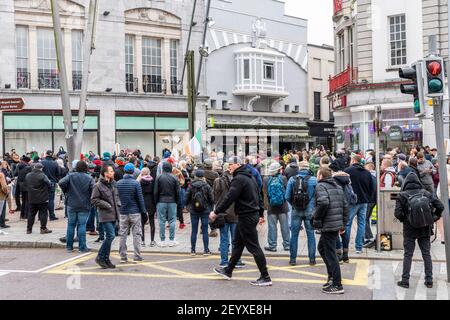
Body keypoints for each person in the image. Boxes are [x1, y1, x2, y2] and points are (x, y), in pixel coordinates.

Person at [211, 156, 272, 287]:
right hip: (249, 215)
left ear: (238, 164)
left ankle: (265, 276)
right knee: (238, 244)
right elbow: (259, 196)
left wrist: (216, 212)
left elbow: (229, 197)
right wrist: (260, 213)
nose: (228, 167)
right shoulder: (251, 177)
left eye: (231, 165)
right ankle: (228, 271)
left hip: (246, 216)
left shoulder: (238, 179)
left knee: (253, 247)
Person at [395, 172, 444, 289]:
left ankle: (405, 280)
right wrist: (434, 218)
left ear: (406, 182)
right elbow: (440, 206)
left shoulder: (402, 195)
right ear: (418, 181)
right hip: (425, 227)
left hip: (409, 229)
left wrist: (405, 219)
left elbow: (397, 213)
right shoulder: (426, 193)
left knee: (408, 254)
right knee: (426, 254)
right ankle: (429, 280)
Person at [312, 167, 348, 294]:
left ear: (321, 175)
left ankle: (337, 284)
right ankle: (332, 277)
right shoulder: (337, 187)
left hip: (328, 225)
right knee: (322, 249)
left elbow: (323, 203)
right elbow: (345, 206)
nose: (316, 176)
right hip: (335, 224)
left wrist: (316, 216)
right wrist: (343, 225)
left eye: (317, 174)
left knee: (331, 254)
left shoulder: (321, 186)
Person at [341, 154, 374, 257]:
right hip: (364, 201)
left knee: (348, 223)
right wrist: (367, 197)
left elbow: (343, 186)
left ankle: (345, 246)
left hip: (351, 202)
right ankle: (358, 247)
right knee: (362, 223)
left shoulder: (347, 171)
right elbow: (371, 188)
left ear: (353, 161)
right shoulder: (367, 173)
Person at [58, 161, 95, 253]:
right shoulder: (89, 178)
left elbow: (61, 182)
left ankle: (69, 247)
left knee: (71, 225)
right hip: (84, 204)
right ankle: (82, 247)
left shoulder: (71, 176)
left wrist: (66, 191)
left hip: (71, 203)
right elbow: (94, 189)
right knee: (82, 225)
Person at [213, 163, 245, 268]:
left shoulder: (218, 181)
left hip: (222, 213)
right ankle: (237, 261)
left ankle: (224, 261)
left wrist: (216, 211)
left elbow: (215, 198)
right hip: (235, 213)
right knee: (236, 240)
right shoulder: (237, 181)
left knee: (224, 239)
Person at [285, 160, 317, 265]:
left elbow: (287, 197)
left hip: (296, 211)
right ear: (308, 168)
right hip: (309, 211)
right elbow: (318, 196)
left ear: (299, 168)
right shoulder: (314, 180)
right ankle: (312, 260)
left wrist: (294, 205)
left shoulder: (292, 179)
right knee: (311, 235)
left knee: (294, 235)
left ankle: (293, 260)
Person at [91, 165, 121, 269]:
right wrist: (107, 205)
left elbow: (116, 197)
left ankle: (106, 259)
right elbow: (94, 200)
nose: (113, 172)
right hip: (105, 215)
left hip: (114, 214)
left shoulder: (114, 184)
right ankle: (100, 257)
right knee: (111, 236)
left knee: (110, 237)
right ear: (105, 173)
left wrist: (118, 205)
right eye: (111, 171)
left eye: (112, 171)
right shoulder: (98, 185)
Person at [116, 163, 146, 263]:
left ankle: (123, 256)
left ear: (124, 171)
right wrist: (143, 211)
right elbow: (140, 199)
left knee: (123, 234)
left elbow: (117, 198)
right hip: (135, 212)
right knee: (136, 234)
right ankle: (137, 255)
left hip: (123, 212)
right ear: (133, 172)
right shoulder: (136, 183)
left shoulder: (118, 183)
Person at [185, 170, 214, 255]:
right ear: (203, 177)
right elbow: (212, 199)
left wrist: (188, 207)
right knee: (205, 231)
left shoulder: (191, 186)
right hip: (205, 210)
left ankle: (193, 250)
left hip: (193, 211)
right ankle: (206, 250)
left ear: (195, 176)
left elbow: (186, 198)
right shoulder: (207, 186)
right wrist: (211, 209)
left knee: (194, 231)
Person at [263, 162, 290, 252]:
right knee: (285, 227)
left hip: (271, 207)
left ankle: (272, 245)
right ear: (279, 170)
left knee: (272, 227)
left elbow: (265, 193)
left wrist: (266, 207)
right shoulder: (283, 178)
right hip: (283, 207)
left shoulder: (266, 179)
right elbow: (286, 192)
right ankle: (287, 245)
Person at [154, 161, 180, 247]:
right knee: (172, 221)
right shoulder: (174, 178)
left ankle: (162, 240)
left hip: (161, 201)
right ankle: (171, 240)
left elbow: (155, 192)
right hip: (172, 201)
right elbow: (178, 192)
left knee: (161, 221)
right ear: (171, 168)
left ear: (163, 168)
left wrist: (156, 202)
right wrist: (177, 201)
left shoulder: (159, 177)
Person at [25, 163, 52, 234]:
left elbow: (26, 184)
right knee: (43, 213)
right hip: (42, 198)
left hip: (31, 198)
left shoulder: (28, 175)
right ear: (41, 168)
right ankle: (43, 228)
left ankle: (29, 229)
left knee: (31, 214)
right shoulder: (42, 175)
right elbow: (49, 183)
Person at [138, 167, 156, 247]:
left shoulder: (140, 181)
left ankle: (142, 241)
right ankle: (152, 241)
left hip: (142, 202)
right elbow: (154, 193)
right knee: (152, 222)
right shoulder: (152, 180)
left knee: (142, 223)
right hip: (151, 202)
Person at [41, 150, 61, 220]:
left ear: (46, 154)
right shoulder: (55, 163)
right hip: (52, 182)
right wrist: (56, 180)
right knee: (51, 199)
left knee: (42, 199)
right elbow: (58, 173)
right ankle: (51, 215)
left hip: (43, 183)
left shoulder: (42, 162)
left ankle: (42, 216)